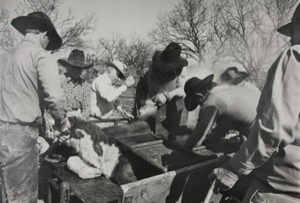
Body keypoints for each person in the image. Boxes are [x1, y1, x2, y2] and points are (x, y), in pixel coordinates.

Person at [208, 4, 300, 203]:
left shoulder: (295, 57)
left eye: (293, 30)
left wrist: (233, 169)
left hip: (279, 188)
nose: (291, 38)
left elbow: (273, 129)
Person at [0, 12, 68, 203]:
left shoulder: (4, 56)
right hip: (20, 140)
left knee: (5, 195)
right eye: (49, 41)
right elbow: (54, 97)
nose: (48, 46)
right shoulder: (40, 55)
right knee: (22, 199)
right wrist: (62, 125)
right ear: (44, 34)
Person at [183, 75, 260, 150]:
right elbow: (222, 128)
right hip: (264, 118)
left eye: (197, 102)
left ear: (199, 94)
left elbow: (202, 129)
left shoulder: (211, 101)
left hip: (261, 129)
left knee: (239, 162)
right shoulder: (222, 90)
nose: (199, 105)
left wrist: (187, 144)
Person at [134, 42, 189, 134]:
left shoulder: (182, 69)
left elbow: (182, 90)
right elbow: (153, 95)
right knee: (143, 113)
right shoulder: (153, 67)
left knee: (171, 110)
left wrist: (167, 95)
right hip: (145, 85)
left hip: (168, 91)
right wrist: (149, 108)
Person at [90, 60, 135, 128]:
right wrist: (125, 85)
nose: (119, 78)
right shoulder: (100, 80)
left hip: (104, 121)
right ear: (111, 70)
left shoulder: (110, 84)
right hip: (95, 122)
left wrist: (124, 113)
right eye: (118, 74)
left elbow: (114, 101)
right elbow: (109, 97)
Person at [58, 49, 93, 120]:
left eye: (79, 68)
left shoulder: (85, 85)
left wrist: (80, 119)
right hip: (59, 119)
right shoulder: (59, 80)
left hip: (77, 121)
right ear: (67, 67)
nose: (77, 71)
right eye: (74, 67)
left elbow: (87, 107)